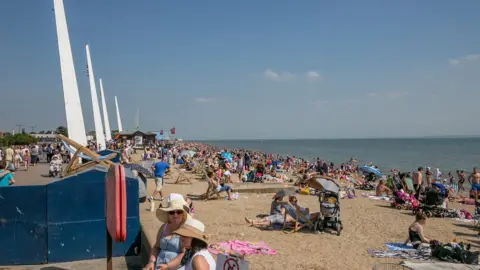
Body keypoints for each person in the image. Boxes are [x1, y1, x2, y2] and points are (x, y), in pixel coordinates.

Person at [143, 198, 190, 270]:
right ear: (168, 214)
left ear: (183, 214)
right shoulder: (163, 227)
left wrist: (168, 265)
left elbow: (184, 254)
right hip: (159, 266)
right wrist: (151, 262)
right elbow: (156, 247)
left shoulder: (185, 231)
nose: (175, 215)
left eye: (179, 212)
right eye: (172, 212)